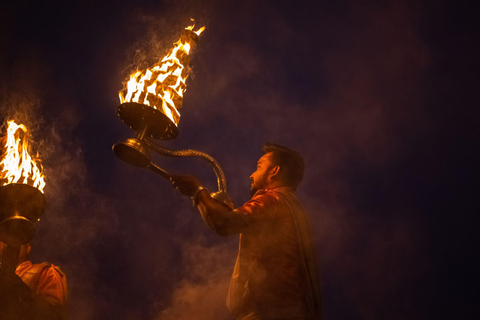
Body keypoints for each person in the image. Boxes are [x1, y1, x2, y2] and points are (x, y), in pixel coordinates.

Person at [172, 143, 322, 320]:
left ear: (274, 171)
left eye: (258, 167)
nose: (251, 175)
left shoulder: (273, 199)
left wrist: (197, 191)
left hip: (268, 312)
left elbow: (223, 223)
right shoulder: (294, 208)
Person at [0, 241, 67, 320]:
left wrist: (15, 284)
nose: (6, 247)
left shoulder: (45, 273)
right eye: (3, 242)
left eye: (14, 242)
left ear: (28, 247)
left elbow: (52, 315)